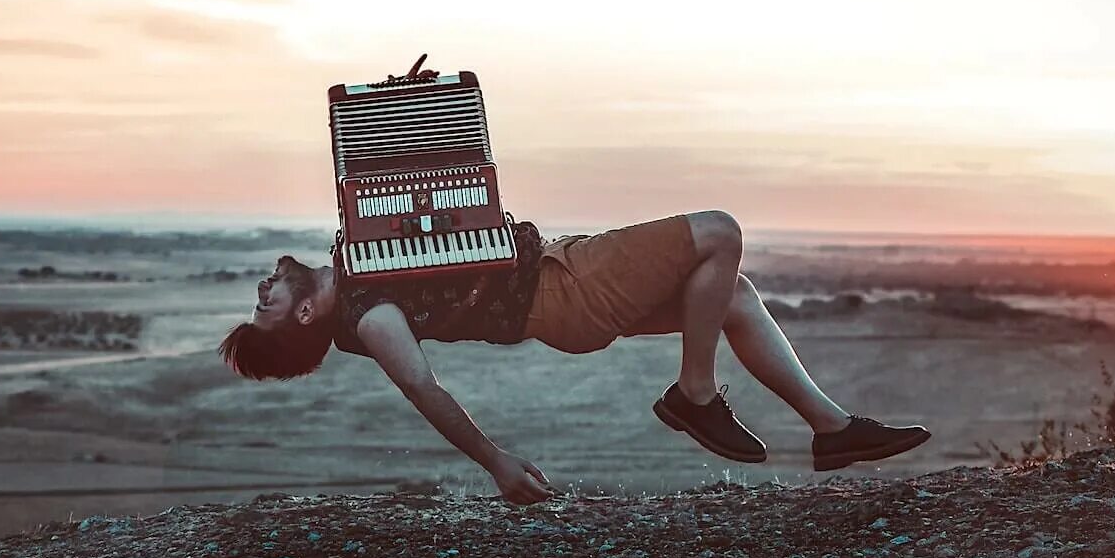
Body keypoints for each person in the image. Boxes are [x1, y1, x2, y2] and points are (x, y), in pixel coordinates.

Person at [219, 211, 930, 505]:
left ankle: (832, 429)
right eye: (267, 305)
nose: (263, 288)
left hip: (562, 275)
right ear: (305, 314)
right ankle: (694, 394)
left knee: (732, 295)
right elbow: (424, 386)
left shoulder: (357, 262)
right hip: (563, 292)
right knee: (719, 232)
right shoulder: (369, 318)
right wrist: (496, 461)